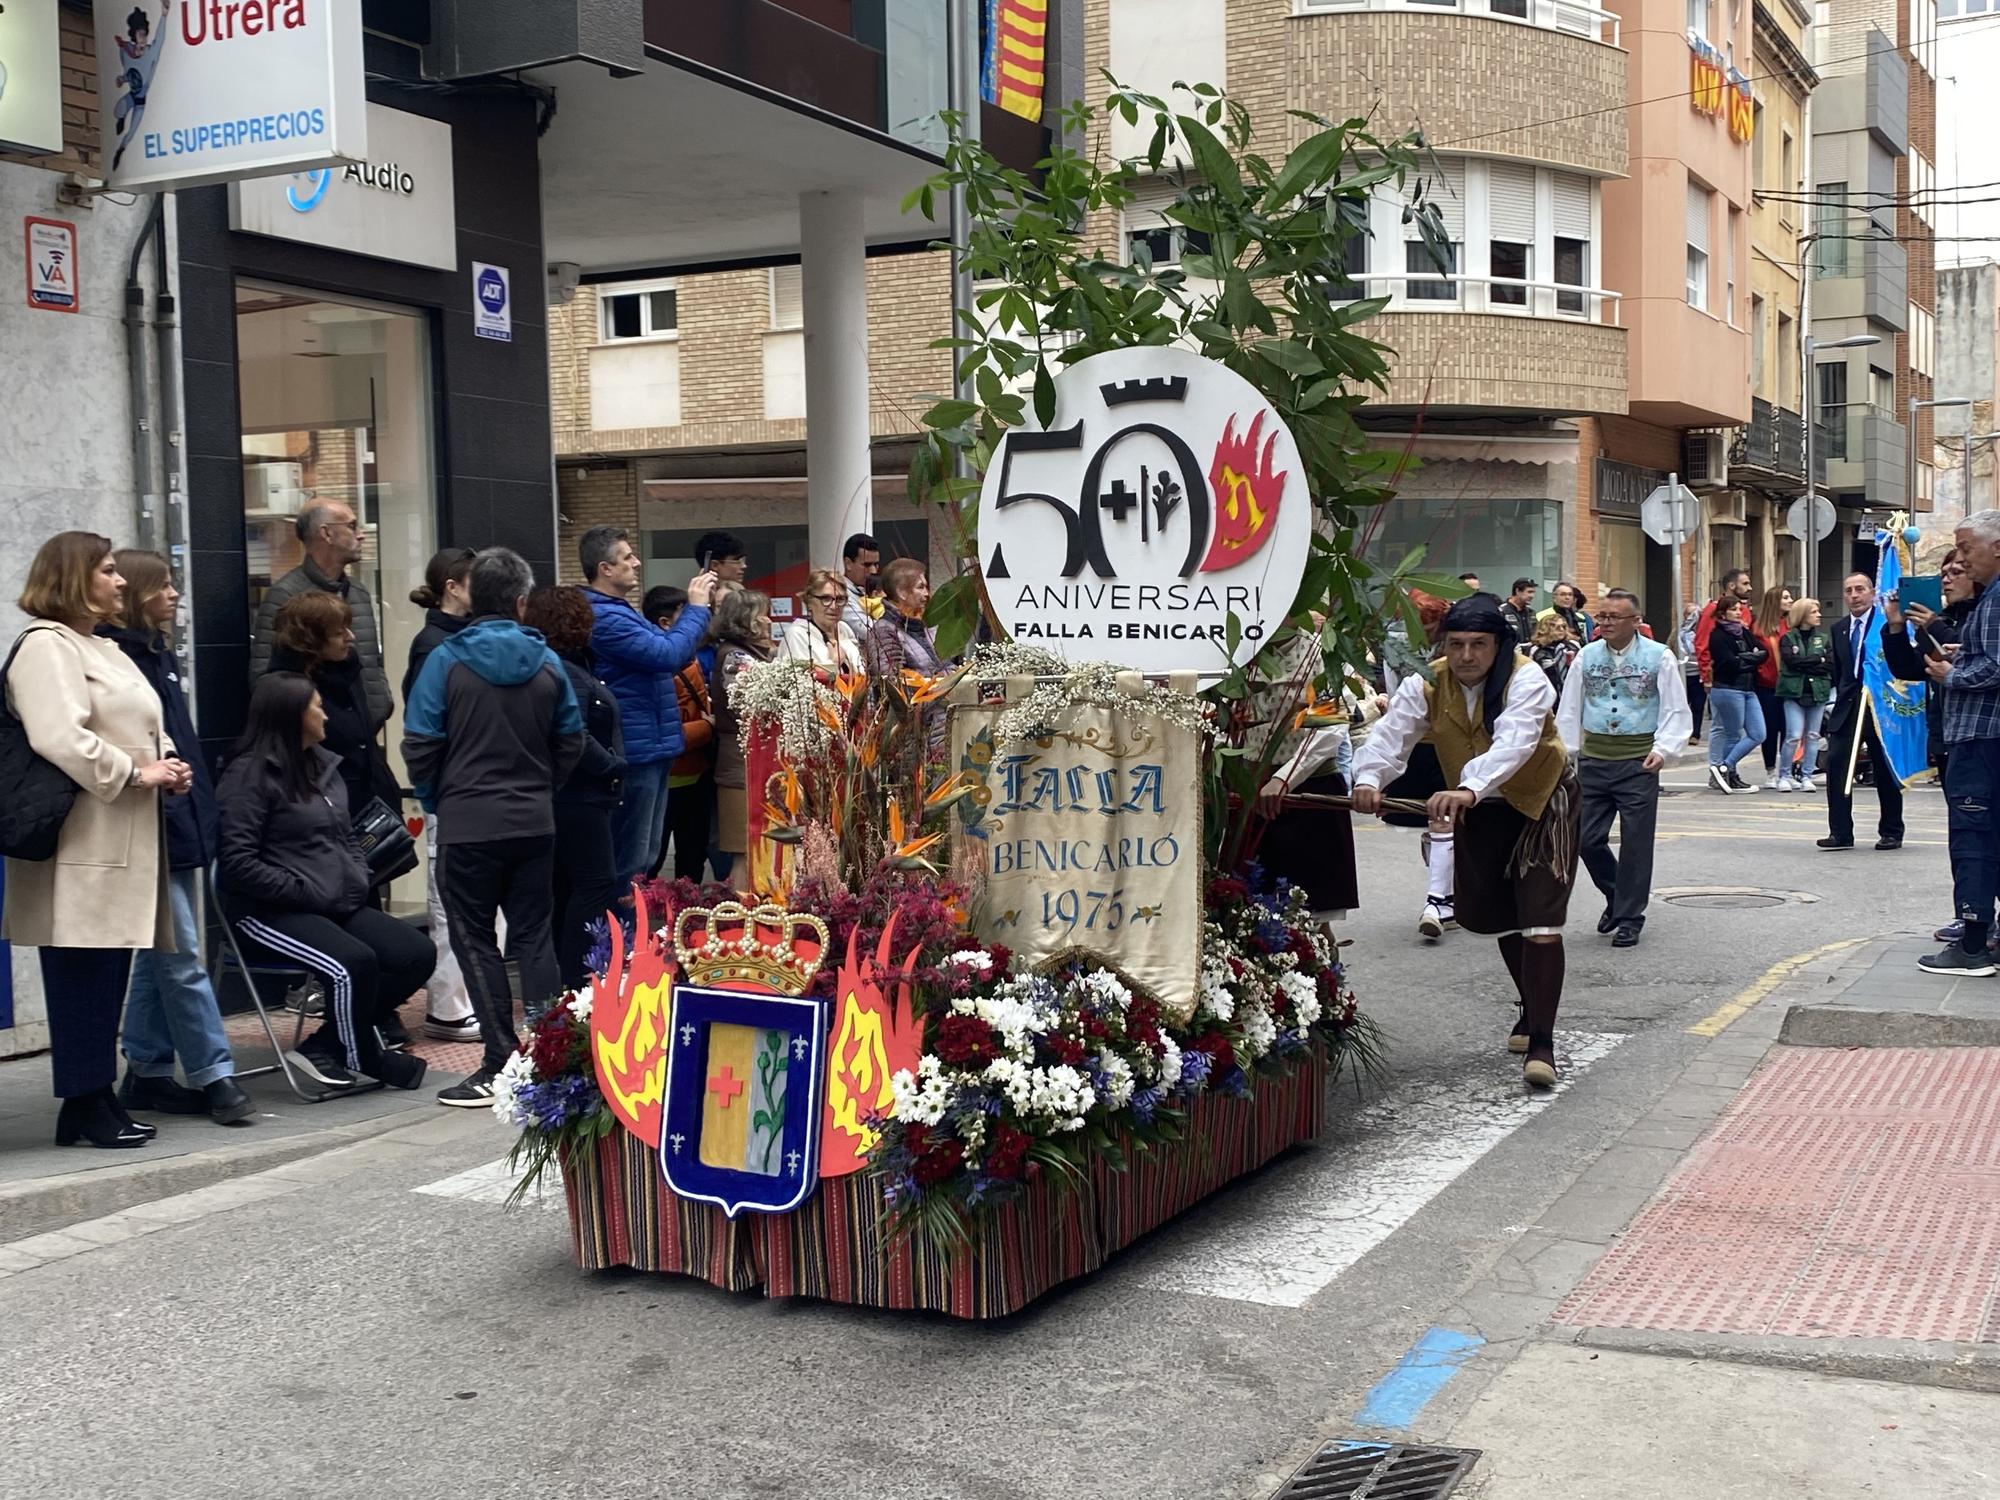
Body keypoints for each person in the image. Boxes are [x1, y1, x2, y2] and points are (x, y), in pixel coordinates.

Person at [5, 534, 188, 1149]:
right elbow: (58, 736)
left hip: (122, 833)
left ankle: (93, 1101)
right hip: (80, 837)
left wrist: (167, 762)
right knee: (81, 973)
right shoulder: (45, 647)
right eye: (107, 571)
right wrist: (137, 773)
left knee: (107, 971)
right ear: (74, 578)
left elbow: (139, 722)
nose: (118, 581)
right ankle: (84, 1102)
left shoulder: (102, 646)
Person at [1352, 595, 1581, 1088]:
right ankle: (1529, 1004)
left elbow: (1516, 744)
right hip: (1479, 805)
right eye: (1456, 645)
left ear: (1499, 645)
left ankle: (1543, 1043)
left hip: (1541, 800)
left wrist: (1468, 786)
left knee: (1540, 918)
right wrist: (1369, 779)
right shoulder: (1425, 681)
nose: (1467, 656)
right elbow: (1392, 736)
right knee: (1501, 918)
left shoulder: (1528, 678)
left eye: (1479, 644)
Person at [405, 548, 586, 1107]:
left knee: (476, 940)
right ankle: (550, 1057)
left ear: (468, 596)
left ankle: (497, 1060)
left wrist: (441, 799)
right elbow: (571, 739)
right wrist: (542, 789)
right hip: (533, 821)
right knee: (534, 937)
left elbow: (420, 743)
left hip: (466, 824)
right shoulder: (548, 662)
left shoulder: (445, 660)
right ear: (520, 602)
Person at [218, 674, 432, 1094]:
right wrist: (302, 891)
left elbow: (346, 836)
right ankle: (366, 1056)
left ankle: (327, 1045)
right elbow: (237, 863)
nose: (325, 713)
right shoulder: (249, 776)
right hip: (267, 910)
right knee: (354, 962)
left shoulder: (324, 767)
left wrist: (354, 877)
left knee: (416, 953)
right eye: (316, 706)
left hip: (330, 900)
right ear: (292, 717)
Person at [103, 551, 252, 1126]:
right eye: (163, 586)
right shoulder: (126, 660)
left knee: (159, 952)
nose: (175, 595)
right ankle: (216, 1076)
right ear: (140, 595)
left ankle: (146, 1069)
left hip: (179, 816)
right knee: (181, 952)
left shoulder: (154, 654)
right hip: (155, 818)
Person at [581, 526, 718, 888]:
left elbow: (668, 655)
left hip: (650, 747)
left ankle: (632, 935)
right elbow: (667, 653)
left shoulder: (619, 612)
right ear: (604, 568)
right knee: (631, 861)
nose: (636, 562)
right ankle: (620, 939)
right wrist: (697, 608)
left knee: (645, 856)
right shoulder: (605, 617)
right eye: (627, 557)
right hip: (635, 751)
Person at [1556, 589, 1692, 948]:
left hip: (1638, 762)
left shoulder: (1658, 657)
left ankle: (1631, 916)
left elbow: (1676, 708)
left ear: (1636, 621)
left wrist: (1663, 750)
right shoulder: (1586, 656)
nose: (1605, 623)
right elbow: (1569, 708)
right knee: (1584, 837)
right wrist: (1566, 754)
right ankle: (1616, 895)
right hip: (1595, 760)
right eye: (1601, 617)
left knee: (1636, 843)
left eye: (1614, 617)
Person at [523, 587, 627, 990]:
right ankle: (579, 982)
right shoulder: (567, 671)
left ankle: (568, 983)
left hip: (571, 795)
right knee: (593, 884)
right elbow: (576, 736)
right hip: (580, 795)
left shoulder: (567, 666)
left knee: (567, 889)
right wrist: (613, 766)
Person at [1885, 550, 1986, 947]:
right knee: (1963, 833)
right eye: (1942, 574)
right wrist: (1895, 628)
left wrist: (1936, 625)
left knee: (1979, 834)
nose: (1946, 580)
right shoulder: (1947, 619)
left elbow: (1971, 658)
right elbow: (1911, 668)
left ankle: (1981, 918)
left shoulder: (1980, 615)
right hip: (1948, 736)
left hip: (1980, 738)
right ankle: (1971, 915)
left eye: (1956, 572)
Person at [401, 548, 481, 1043]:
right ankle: (448, 1005)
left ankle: (464, 1000)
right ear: (453, 586)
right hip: (451, 791)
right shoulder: (433, 645)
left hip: (463, 787)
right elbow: (424, 728)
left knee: (470, 900)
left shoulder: (458, 641)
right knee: (448, 900)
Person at [1918, 511, 2000, 974]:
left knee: (1973, 839)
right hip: (1983, 736)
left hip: (1981, 737)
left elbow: (1997, 666)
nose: (1961, 558)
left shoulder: (1996, 600)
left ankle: (1970, 946)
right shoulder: (1989, 599)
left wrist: (1955, 674)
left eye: (1967, 548)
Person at [268, 591, 401, 846]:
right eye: (340, 633)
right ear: (312, 640)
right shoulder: (287, 690)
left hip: (367, 811)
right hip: (322, 822)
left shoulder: (347, 671)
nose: (350, 638)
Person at [251, 500, 391, 734]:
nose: (361, 535)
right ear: (326, 533)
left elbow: (371, 660)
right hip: (318, 740)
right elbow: (264, 677)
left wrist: (382, 704)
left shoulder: (357, 592)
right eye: (352, 526)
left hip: (365, 733)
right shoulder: (285, 595)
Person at [1820, 572, 1906, 852]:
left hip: (1879, 705)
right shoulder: (1840, 628)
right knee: (1837, 767)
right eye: (1848, 591)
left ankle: (1891, 830)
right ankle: (1840, 832)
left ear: (1872, 593)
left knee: (1884, 770)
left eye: (1860, 589)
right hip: (1848, 705)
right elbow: (1841, 670)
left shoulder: (1882, 624)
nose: (1854, 595)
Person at [643, 586, 718, 885]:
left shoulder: (691, 660)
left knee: (691, 859)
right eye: (687, 616)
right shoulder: (656, 668)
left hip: (695, 777)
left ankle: (684, 921)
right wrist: (709, 727)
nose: (698, 624)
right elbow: (666, 732)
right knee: (653, 858)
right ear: (665, 623)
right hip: (665, 780)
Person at [710, 589, 777, 892]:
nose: (768, 620)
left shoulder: (751, 653)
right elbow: (755, 703)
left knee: (762, 848)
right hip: (741, 765)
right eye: (763, 613)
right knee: (744, 849)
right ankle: (743, 919)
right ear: (746, 621)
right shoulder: (734, 658)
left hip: (755, 760)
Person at [1705, 594, 1767, 795]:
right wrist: (1750, 658)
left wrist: (1746, 658)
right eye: (1733, 609)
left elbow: (1763, 653)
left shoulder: (1744, 632)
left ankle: (1724, 766)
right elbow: (1729, 663)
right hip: (1728, 688)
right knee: (1733, 734)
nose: (1738, 613)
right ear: (1723, 613)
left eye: (1740, 609)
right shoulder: (1718, 635)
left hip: (1748, 689)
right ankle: (1729, 775)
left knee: (1758, 733)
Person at [1776, 598, 1832, 794]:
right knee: (1793, 735)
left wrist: (1810, 662)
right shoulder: (1788, 638)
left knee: (1813, 735)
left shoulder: (1823, 638)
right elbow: (1791, 662)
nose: (1819, 615)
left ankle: (1807, 775)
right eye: (1814, 612)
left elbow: (1829, 664)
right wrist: (1817, 659)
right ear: (1803, 615)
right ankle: (1784, 775)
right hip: (1794, 692)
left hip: (1818, 691)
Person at [111, 3, 171, 173]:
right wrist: (122, 79)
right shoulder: (125, 51)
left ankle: (119, 151)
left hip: (140, 101)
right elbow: (129, 73)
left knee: (131, 133)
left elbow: (159, 40)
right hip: (131, 94)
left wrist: (164, 16)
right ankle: (121, 118)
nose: (144, 39)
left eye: (145, 35)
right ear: (134, 35)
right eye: (140, 35)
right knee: (118, 110)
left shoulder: (151, 53)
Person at [783, 567, 866, 674]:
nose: (834, 606)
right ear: (809, 601)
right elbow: (799, 683)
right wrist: (834, 663)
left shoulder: (844, 629)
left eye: (840, 599)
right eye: (826, 599)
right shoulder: (798, 635)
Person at [1750, 586, 1793, 788]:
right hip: (1766, 686)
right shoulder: (1758, 629)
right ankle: (1770, 771)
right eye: (1785, 597)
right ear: (1775, 601)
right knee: (1770, 729)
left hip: (1788, 685)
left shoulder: (1789, 625)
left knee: (1789, 729)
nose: (1790, 600)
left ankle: (1787, 770)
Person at [1693, 568, 1754, 695]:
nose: (1750, 588)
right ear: (1731, 586)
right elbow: (1702, 644)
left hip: (1745, 677)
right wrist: (1707, 677)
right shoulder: (1713, 609)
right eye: (1745, 583)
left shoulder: (1745, 611)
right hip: (1721, 676)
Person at [841, 533, 883, 642]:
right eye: (867, 565)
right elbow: (868, 631)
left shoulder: (871, 590)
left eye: (876, 565)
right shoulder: (840, 594)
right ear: (848, 563)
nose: (873, 571)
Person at [1677, 604, 1707, 745]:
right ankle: (1681, 733)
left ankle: (1695, 734)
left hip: (1698, 674)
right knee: (1682, 705)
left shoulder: (1703, 632)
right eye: (1689, 614)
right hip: (1682, 675)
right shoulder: (1678, 632)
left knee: (1698, 705)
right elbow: (1671, 648)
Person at [1528, 614, 1579, 695]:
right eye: (1557, 627)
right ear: (1546, 629)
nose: (1561, 629)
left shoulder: (1573, 646)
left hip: (1572, 692)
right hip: (1548, 693)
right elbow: (1531, 676)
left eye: (1563, 626)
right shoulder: (1536, 650)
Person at [1501, 578, 1538, 648]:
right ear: (1517, 591)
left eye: (1533, 592)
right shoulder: (1502, 612)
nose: (1532, 596)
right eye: (1529, 592)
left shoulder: (1531, 613)